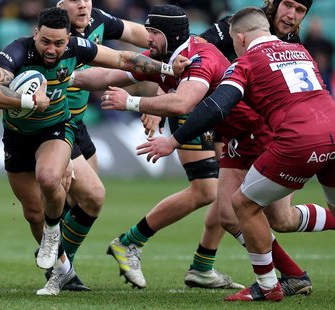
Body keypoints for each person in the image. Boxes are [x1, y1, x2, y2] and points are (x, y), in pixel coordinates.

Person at [0, 6, 190, 296]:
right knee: (32, 212)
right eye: (45, 42)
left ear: (69, 38)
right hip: (16, 137)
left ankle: (54, 235)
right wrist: (26, 101)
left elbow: (122, 58)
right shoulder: (16, 51)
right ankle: (62, 272)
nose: (52, 50)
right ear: (34, 34)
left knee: (51, 179)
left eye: (59, 43)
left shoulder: (78, 46)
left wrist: (167, 69)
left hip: (56, 128)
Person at [138, 6, 335, 302]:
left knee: (242, 204)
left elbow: (216, 106)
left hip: (295, 138)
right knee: (277, 218)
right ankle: (289, 276)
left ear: (240, 38)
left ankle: (268, 286)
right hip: (331, 127)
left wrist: (174, 140)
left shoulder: (246, 62)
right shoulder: (301, 51)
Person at [73, 4, 241, 290]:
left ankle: (201, 265)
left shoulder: (279, 38)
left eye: (152, 32)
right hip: (198, 113)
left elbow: (180, 65)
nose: (146, 38)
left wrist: (143, 102)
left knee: (224, 193)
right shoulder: (232, 26)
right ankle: (133, 244)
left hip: (223, 119)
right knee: (216, 191)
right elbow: (176, 72)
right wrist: (60, 76)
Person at [39, 0, 151, 292]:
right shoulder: (50, 35)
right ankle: (61, 266)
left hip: (79, 123)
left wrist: (175, 44)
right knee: (88, 197)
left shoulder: (98, 20)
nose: (83, 4)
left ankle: (58, 261)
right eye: (75, 0)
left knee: (85, 200)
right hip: (52, 125)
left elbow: (144, 35)